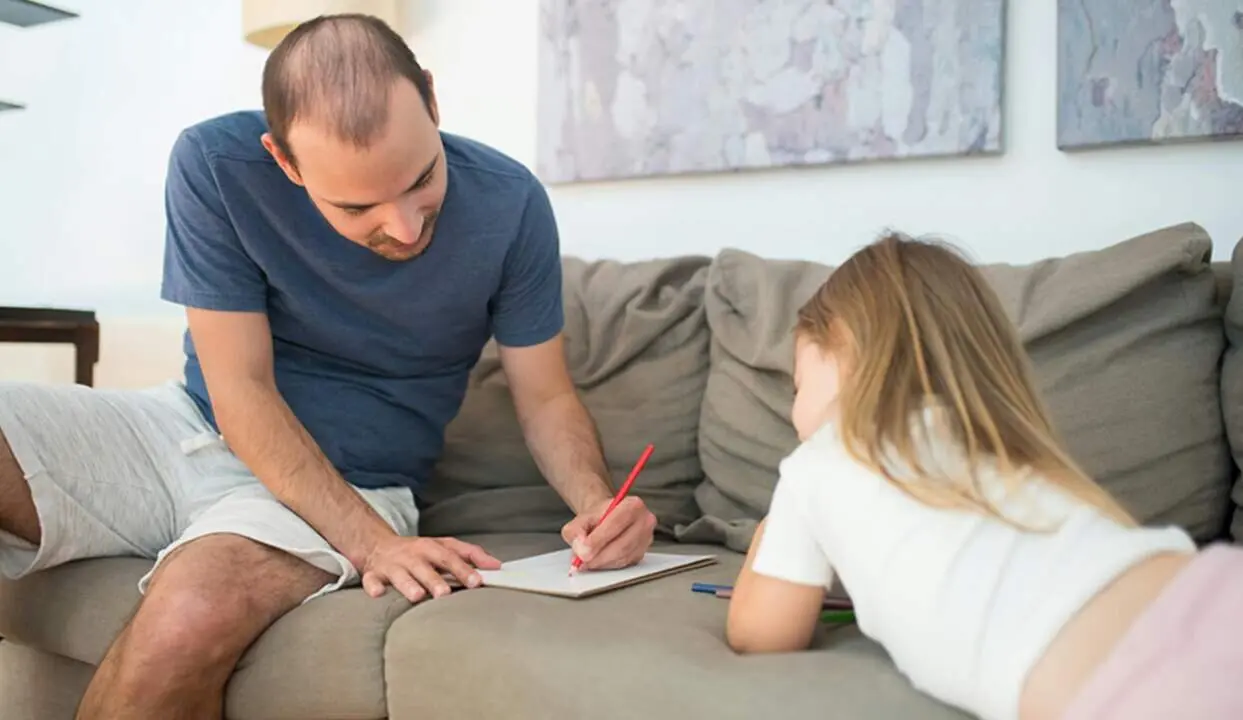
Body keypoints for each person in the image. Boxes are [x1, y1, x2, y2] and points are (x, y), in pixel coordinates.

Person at [0, 13, 655, 719]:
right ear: (284, 161)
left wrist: (596, 504)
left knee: (187, 619)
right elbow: (239, 388)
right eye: (357, 205)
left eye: (421, 179)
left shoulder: (511, 202)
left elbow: (546, 396)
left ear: (431, 101)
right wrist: (372, 549)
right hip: (185, 427)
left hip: (355, 478)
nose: (405, 227)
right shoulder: (214, 165)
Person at [724, 232, 1242, 720]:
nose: (793, 412)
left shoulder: (818, 462)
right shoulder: (996, 443)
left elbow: (760, 633)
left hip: (1130, 689)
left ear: (841, 349)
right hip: (1208, 587)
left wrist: (771, 534)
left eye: (796, 386)